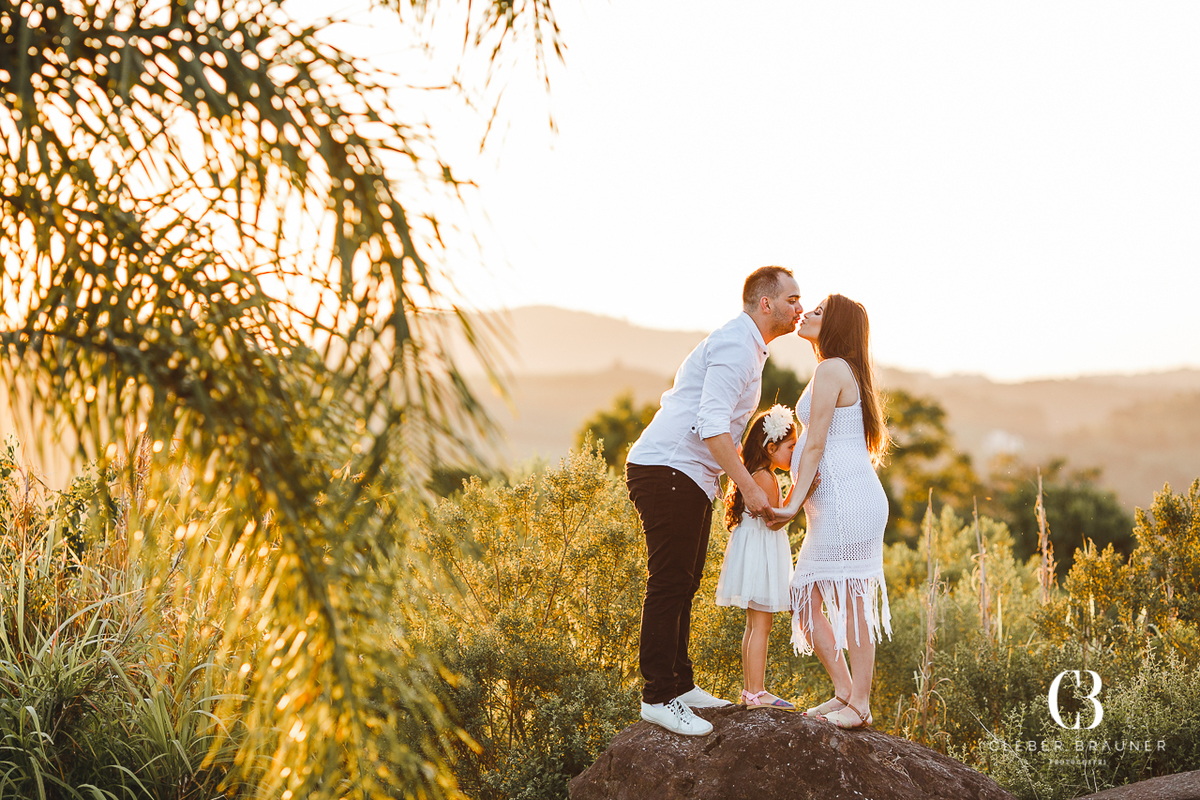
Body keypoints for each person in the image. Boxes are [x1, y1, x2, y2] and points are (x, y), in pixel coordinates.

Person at [626, 266, 803, 736]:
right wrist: (747, 486)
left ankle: (680, 684)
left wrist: (729, 478)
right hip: (668, 468)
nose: (798, 308)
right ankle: (658, 696)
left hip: (689, 475)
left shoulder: (751, 347)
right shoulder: (735, 345)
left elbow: (718, 426)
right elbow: (711, 424)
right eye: (791, 299)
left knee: (685, 581)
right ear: (765, 303)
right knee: (669, 581)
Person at [773, 293, 891, 730]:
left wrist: (791, 503)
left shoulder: (832, 368)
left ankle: (859, 704)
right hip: (840, 500)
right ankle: (845, 691)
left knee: (851, 599)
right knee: (804, 595)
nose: (807, 313)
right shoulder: (838, 369)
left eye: (819, 312)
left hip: (846, 501)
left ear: (835, 326)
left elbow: (818, 442)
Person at [714, 404, 799, 710]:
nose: (794, 452)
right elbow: (774, 520)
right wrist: (800, 493)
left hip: (754, 551)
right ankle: (757, 692)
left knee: (754, 625)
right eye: (790, 447)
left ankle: (751, 691)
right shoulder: (764, 477)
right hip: (761, 554)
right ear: (771, 447)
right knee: (761, 625)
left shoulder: (756, 473)